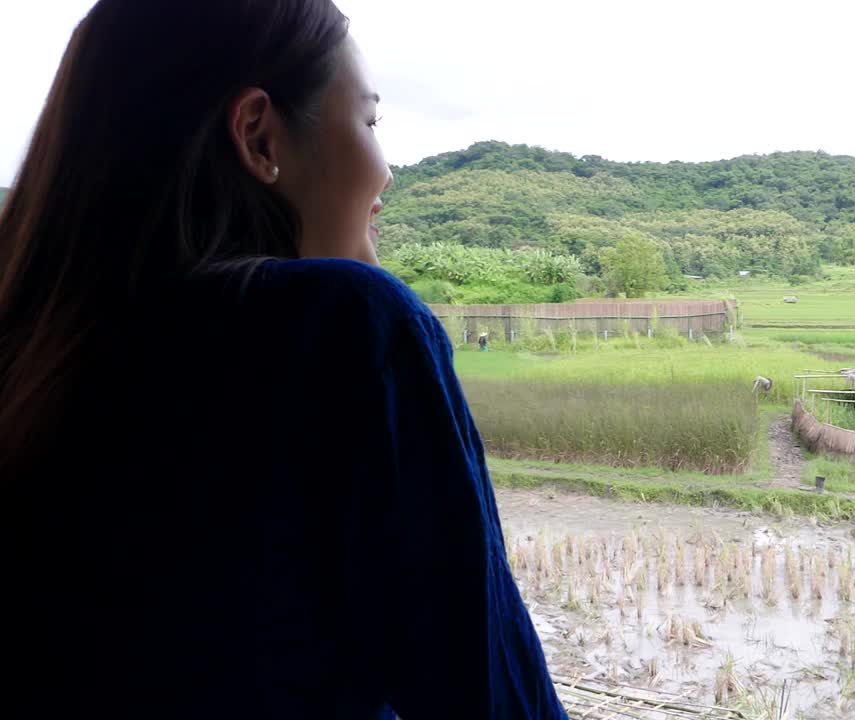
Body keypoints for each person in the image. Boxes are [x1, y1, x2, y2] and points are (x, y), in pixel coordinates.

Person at [0, 2, 566, 718]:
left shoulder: (36, 348)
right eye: (370, 122)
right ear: (259, 136)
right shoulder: (345, 328)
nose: (385, 176)